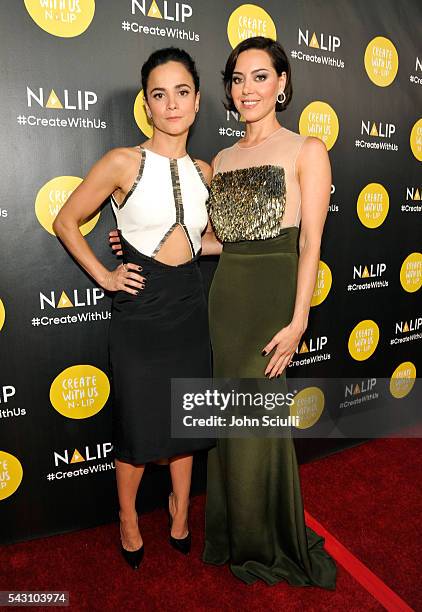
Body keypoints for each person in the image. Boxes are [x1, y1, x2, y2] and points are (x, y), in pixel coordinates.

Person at [53, 47, 220, 570]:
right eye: (159, 94)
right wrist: (105, 275)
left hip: (189, 306)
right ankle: (127, 517)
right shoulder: (123, 161)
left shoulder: (204, 170)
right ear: (147, 105)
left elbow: (207, 240)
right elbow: (65, 220)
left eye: (182, 92)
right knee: (138, 425)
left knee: (187, 419)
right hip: (140, 311)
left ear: (196, 103)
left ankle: (179, 508)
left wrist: (259, 238)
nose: (171, 104)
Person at [202, 36, 337, 588]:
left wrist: (299, 319)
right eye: (237, 79)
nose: (246, 89)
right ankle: (235, 529)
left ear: (282, 84)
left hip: (273, 297)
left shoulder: (306, 149)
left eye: (260, 77)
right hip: (227, 296)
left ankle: (265, 540)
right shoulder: (223, 159)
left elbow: (310, 244)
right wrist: (143, 244)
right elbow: (214, 243)